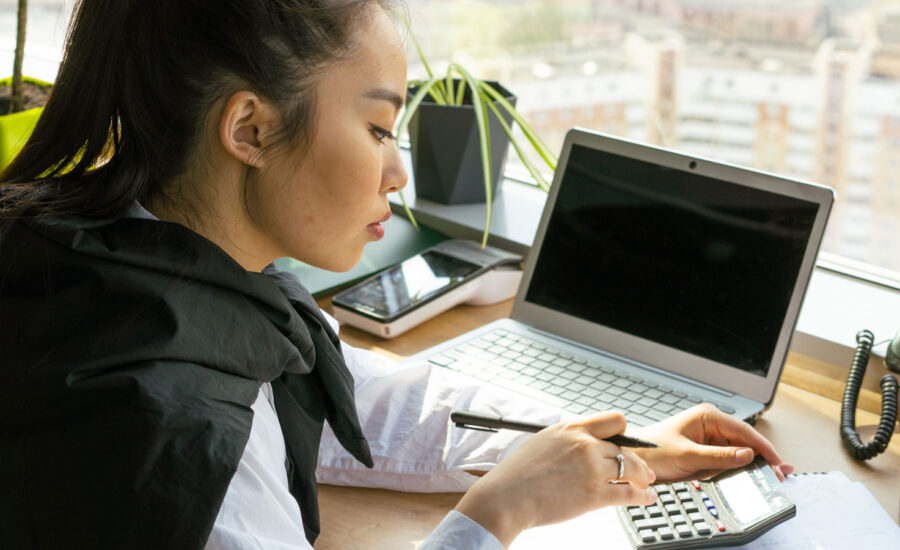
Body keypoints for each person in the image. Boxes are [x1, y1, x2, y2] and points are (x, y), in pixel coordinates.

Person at [0, 1, 794, 549]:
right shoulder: (180, 444)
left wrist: (615, 440)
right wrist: (499, 511)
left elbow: (358, 395)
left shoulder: (122, 254)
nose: (398, 174)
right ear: (249, 127)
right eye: (379, 127)